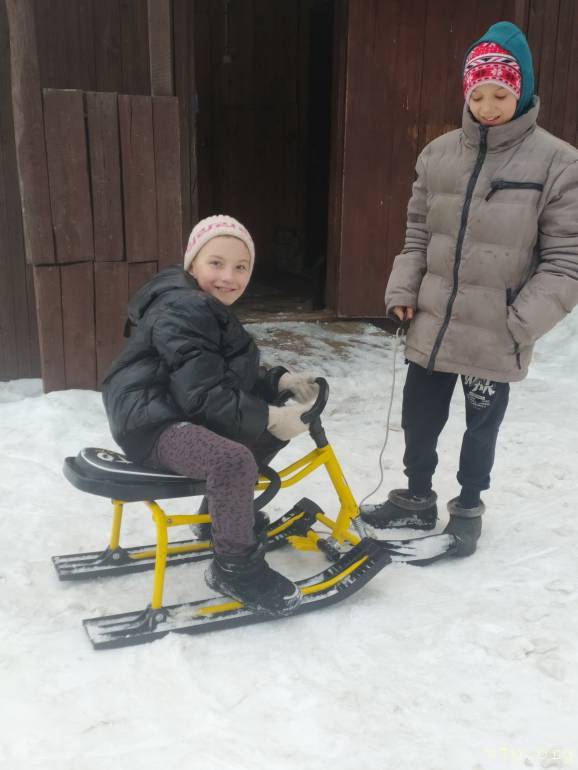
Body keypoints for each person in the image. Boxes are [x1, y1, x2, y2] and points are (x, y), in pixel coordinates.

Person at [361, 22, 578, 559]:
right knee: (419, 419)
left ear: (522, 90)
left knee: (480, 429)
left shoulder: (558, 163)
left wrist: (518, 322)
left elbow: (567, 261)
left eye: (500, 94)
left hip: (495, 329)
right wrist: (403, 289)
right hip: (432, 321)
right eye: (477, 94)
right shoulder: (437, 155)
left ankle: (468, 510)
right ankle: (416, 498)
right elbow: (417, 234)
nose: (487, 106)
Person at [102, 214, 320, 615]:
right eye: (216, 263)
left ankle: (218, 520)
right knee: (232, 459)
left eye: (241, 267)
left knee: (259, 434)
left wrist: (278, 381)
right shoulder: (185, 307)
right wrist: (270, 416)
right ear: (192, 264)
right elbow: (205, 395)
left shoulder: (199, 305)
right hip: (151, 423)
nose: (229, 277)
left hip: (170, 408)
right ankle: (235, 568)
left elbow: (215, 371)